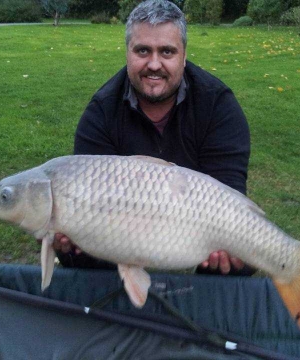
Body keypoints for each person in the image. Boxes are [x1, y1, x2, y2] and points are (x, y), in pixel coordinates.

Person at [54, 0, 254, 276]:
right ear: (127, 53)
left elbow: (229, 194)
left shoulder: (218, 106)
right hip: (121, 223)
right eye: (143, 51)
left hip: (200, 220)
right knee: (76, 254)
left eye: (167, 52)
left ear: (184, 56)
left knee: (235, 262)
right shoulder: (101, 113)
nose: (154, 64)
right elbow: (86, 202)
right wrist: (73, 245)